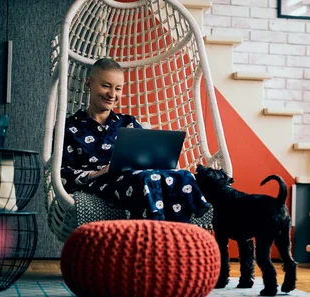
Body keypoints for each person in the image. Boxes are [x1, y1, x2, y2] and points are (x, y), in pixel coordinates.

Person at [61, 58, 209, 222]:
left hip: (137, 175)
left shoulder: (128, 122)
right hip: (101, 183)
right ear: (89, 82)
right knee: (145, 179)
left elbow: (150, 156)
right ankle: (157, 238)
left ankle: (179, 236)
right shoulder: (69, 128)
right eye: (106, 86)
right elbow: (62, 175)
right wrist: (98, 172)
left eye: (118, 89)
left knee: (182, 175)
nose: (112, 94)